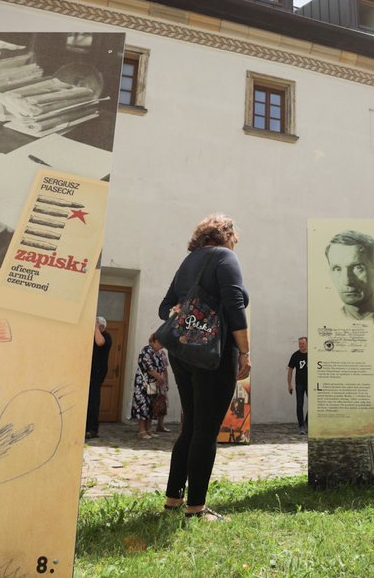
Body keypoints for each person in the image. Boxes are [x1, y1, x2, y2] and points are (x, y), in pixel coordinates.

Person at [160, 214, 251, 521]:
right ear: (225, 235)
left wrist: (188, 312)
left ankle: (174, 499)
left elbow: (164, 308)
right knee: (206, 431)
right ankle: (197, 509)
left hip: (183, 351)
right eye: (234, 237)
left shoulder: (189, 262)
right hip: (214, 353)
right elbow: (235, 305)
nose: (236, 242)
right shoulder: (225, 257)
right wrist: (245, 352)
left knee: (190, 428)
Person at [325, 230, 374, 321]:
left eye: (358, 268)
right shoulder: (327, 321)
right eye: (337, 269)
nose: (347, 281)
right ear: (331, 274)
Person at [130, 333, 166, 439]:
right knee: (142, 405)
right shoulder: (146, 350)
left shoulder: (159, 353)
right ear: (154, 341)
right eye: (160, 343)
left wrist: (160, 379)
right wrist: (159, 378)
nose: (161, 346)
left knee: (151, 406)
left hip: (155, 383)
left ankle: (149, 429)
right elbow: (148, 366)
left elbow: (162, 367)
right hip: (144, 383)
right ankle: (142, 431)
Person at [85, 317, 112, 440]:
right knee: (87, 400)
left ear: (102, 327)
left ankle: (93, 428)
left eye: (97, 326)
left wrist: (96, 328)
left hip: (98, 372)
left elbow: (100, 342)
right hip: (88, 372)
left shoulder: (106, 336)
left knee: (93, 400)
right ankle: (86, 427)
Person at [287, 337, 309, 434]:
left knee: (313, 405)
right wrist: (289, 384)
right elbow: (290, 370)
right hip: (299, 384)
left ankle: (307, 421)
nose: (301, 345)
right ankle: (301, 426)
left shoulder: (312, 355)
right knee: (299, 405)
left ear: (307, 344)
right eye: (300, 343)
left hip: (310, 384)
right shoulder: (295, 355)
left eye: (303, 343)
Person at [153, 344, 170, 432]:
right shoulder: (149, 352)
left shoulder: (163, 353)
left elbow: (165, 369)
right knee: (152, 402)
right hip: (153, 382)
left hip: (162, 382)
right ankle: (147, 427)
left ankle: (160, 425)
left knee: (163, 404)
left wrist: (166, 382)